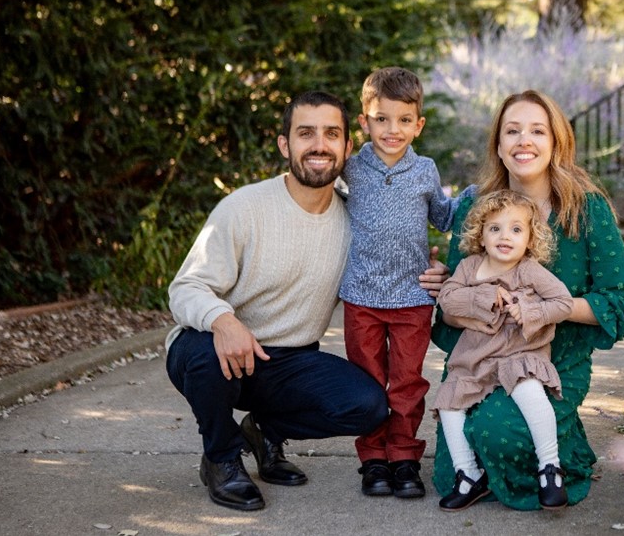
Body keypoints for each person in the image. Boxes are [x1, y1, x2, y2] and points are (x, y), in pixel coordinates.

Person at [165, 91, 448, 512]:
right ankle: (222, 459)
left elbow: (394, 249)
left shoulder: (355, 220)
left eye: (331, 134)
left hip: (290, 361)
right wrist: (223, 321)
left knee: (368, 406)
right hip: (220, 351)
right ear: (285, 145)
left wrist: (430, 271)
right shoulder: (244, 207)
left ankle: (264, 432)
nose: (319, 144)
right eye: (306, 133)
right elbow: (184, 288)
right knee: (204, 353)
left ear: (348, 146)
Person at [431, 89, 624, 511]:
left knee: (496, 431)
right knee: (455, 442)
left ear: (556, 141)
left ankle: (562, 458)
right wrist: (460, 295)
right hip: (479, 358)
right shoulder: (476, 207)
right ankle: (492, 467)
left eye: (537, 131)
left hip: (553, 361)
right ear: (499, 146)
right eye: (513, 131)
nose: (524, 140)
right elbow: (449, 314)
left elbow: (618, 301)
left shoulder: (586, 209)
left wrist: (544, 311)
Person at [339, 67, 460, 499]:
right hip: (361, 297)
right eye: (382, 119)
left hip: (412, 297)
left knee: (407, 381)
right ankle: (373, 458)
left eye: (404, 120)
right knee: (368, 381)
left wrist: (479, 192)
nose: (393, 129)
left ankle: (404, 457)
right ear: (364, 121)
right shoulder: (350, 170)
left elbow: (445, 218)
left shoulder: (425, 170)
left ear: (418, 125)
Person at [432, 189, 573, 512]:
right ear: (480, 235)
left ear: (530, 239)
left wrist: (530, 311)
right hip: (475, 359)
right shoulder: (470, 267)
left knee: (530, 391)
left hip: (519, 354)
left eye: (516, 229)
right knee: (451, 404)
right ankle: (468, 475)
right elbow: (449, 299)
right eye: (494, 228)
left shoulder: (529, 269)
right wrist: (484, 296)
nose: (504, 236)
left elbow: (563, 302)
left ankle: (549, 469)